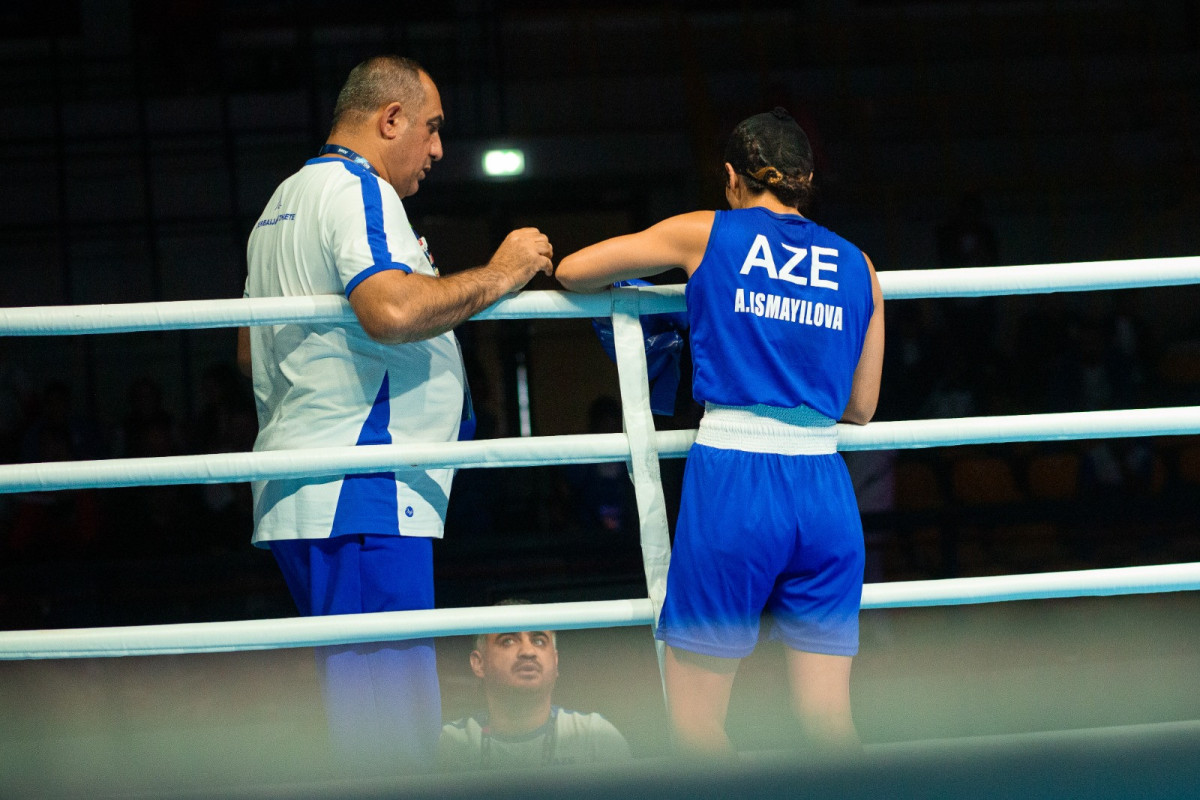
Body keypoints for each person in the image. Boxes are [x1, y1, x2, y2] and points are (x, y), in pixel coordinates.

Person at [237, 55, 553, 773]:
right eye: (432, 129)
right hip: (362, 489)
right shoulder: (358, 190)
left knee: (368, 722)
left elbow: (247, 353)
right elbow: (390, 309)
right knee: (393, 738)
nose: (438, 150)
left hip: (318, 485)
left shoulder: (278, 205)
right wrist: (502, 273)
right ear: (390, 120)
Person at [556, 108, 884, 756]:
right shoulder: (860, 265)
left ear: (732, 178)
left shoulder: (706, 233)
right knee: (829, 722)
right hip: (825, 487)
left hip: (736, 478)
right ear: (808, 179)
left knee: (698, 722)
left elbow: (573, 270)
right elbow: (862, 406)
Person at [439, 606, 632, 770]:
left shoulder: (594, 736)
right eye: (508, 640)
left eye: (539, 641)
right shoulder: (450, 744)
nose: (528, 652)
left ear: (555, 661)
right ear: (478, 663)